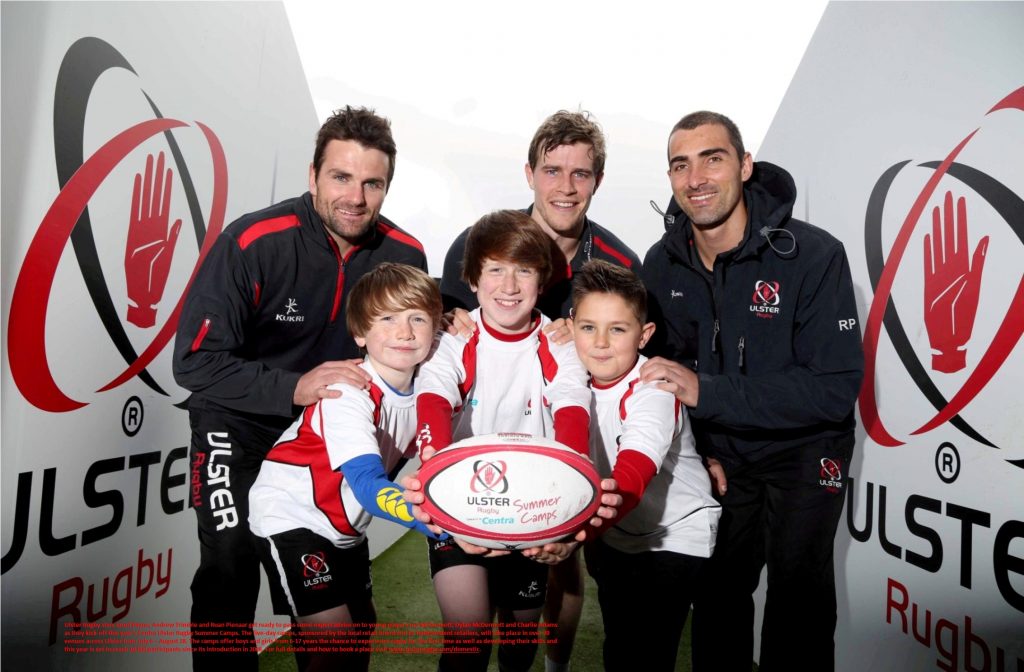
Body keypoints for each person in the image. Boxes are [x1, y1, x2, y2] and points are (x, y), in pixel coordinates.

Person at [172, 106, 426, 671]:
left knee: (337, 590)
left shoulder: (405, 255)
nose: (355, 197)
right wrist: (295, 386)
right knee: (230, 565)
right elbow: (193, 363)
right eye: (341, 177)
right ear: (312, 176)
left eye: (372, 183)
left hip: (323, 435)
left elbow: (419, 344)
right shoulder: (254, 240)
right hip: (235, 423)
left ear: (386, 186)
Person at [639, 111, 863, 672]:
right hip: (720, 454)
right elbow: (658, 375)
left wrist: (708, 392)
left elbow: (834, 391)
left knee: (798, 604)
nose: (696, 178)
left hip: (806, 452)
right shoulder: (660, 263)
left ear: (743, 165)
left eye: (712, 158)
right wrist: (696, 445)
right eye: (680, 165)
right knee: (716, 597)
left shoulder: (814, 254)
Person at [441, 110, 641, 672]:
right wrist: (448, 317)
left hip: (578, 416)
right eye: (553, 170)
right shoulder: (486, 238)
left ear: (596, 181)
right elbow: (449, 316)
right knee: (490, 562)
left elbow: (631, 351)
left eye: (580, 173)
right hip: (500, 425)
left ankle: (553, 666)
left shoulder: (621, 261)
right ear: (529, 173)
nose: (566, 186)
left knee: (565, 557)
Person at [415, 209, 592, 672]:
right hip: (458, 507)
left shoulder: (560, 343)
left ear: (542, 279)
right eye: (494, 269)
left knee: (519, 639)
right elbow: (433, 396)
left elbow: (572, 405)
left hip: (531, 512)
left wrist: (566, 502)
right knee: (468, 637)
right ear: (473, 279)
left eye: (524, 270)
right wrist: (434, 466)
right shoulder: (452, 338)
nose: (509, 286)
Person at [248, 263, 444, 672]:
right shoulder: (349, 392)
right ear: (359, 334)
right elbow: (368, 485)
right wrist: (435, 519)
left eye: (417, 318)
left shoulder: (429, 385)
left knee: (360, 629)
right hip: (293, 515)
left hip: (343, 527)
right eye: (387, 318)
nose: (404, 332)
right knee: (335, 639)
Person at [568, 260, 720, 672]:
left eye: (617, 329)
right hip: (614, 531)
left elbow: (631, 477)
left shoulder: (654, 387)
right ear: (571, 327)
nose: (600, 342)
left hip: (674, 533)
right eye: (587, 327)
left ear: (644, 334)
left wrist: (573, 536)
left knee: (649, 652)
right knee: (619, 646)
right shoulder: (569, 379)